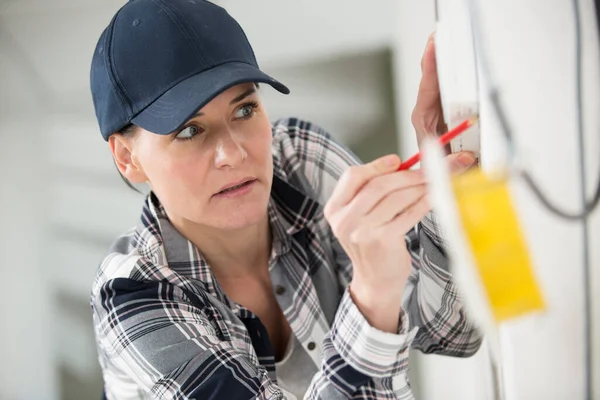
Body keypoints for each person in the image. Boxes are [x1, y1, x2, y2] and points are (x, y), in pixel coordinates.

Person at [89, 0, 482, 399]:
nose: (235, 154)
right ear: (127, 158)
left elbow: (455, 331)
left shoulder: (297, 161)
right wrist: (373, 295)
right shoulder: (132, 295)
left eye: (244, 109)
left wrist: (441, 196)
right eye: (189, 131)